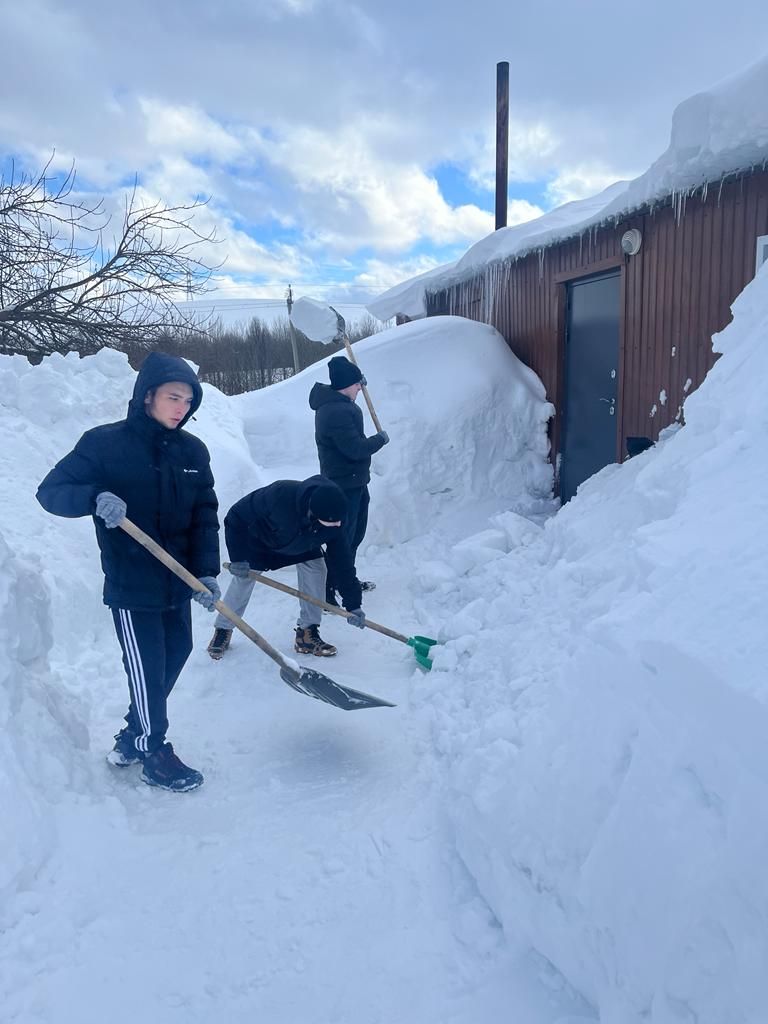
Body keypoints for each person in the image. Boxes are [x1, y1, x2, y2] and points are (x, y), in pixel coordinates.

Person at [36, 352, 221, 793]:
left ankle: (130, 737)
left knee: (173, 658)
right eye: (173, 397)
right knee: (147, 670)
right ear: (146, 397)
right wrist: (94, 497)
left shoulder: (193, 451)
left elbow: (205, 515)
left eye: (189, 400)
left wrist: (207, 573)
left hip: (179, 581)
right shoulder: (104, 444)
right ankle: (152, 750)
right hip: (132, 583)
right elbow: (51, 492)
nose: (181, 407)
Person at [207, 475, 365, 660]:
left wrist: (353, 604)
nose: (337, 525)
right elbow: (236, 516)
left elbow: (343, 562)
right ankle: (223, 628)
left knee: (317, 569)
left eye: (339, 521)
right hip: (261, 541)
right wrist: (238, 558)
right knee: (243, 580)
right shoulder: (279, 495)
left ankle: (307, 632)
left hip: (302, 542)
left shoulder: (335, 518)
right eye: (332, 522)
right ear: (313, 512)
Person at [308, 354, 389, 605]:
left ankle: (346, 581)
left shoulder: (340, 406)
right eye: (357, 384)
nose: (360, 388)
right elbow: (353, 449)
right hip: (342, 486)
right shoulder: (335, 412)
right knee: (342, 540)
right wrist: (379, 440)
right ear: (346, 385)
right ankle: (329, 590)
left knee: (353, 537)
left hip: (353, 483)